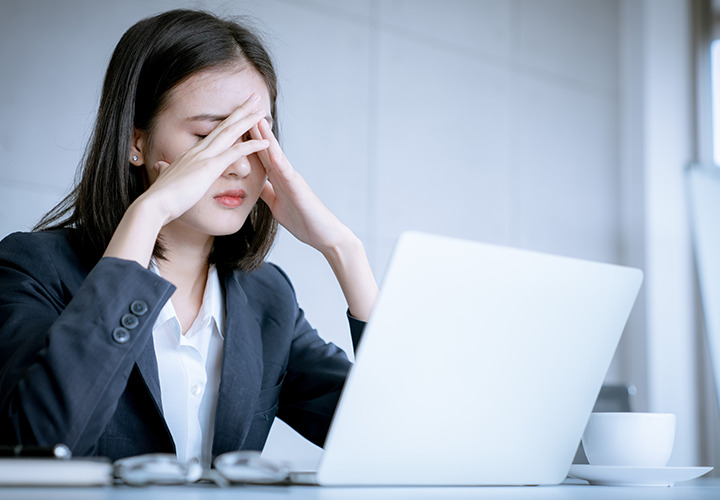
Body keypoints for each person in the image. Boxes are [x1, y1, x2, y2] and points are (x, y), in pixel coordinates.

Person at [0, 9, 378, 468]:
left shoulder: (266, 298)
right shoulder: (33, 267)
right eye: (210, 136)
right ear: (134, 142)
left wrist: (344, 249)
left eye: (252, 137)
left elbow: (392, 437)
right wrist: (150, 211)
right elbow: (38, 444)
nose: (239, 163)